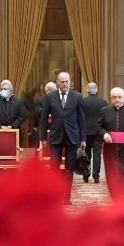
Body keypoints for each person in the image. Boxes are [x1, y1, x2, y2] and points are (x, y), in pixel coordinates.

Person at [38, 71, 87, 202]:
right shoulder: (50, 97)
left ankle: (66, 198)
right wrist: (42, 137)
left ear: (70, 82)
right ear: (57, 83)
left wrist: (83, 138)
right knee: (54, 168)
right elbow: (43, 119)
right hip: (55, 137)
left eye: (67, 82)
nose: (65, 84)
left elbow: (82, 119)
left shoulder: (77, 96)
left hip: (72, 137)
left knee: (69, 169)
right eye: (62, 82)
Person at [97, 87, 124, 199]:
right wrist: (104, 134)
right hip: (110, 148)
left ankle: (122, 195)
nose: (117, 99)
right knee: (111, 171)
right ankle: (115, 196)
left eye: (119, 97)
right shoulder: (104, 110)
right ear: (110, 98)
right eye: (114, 97)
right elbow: (98, 127)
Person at [82, 82, 107, 183]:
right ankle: (96, 177)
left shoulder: (82, 101)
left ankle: (86, 175)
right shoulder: (103, 102)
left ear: (87, 90)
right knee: (97, 154)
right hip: (98, 131)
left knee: (86, 154)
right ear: (96, 90)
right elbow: (105, 118)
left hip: (86, 131)